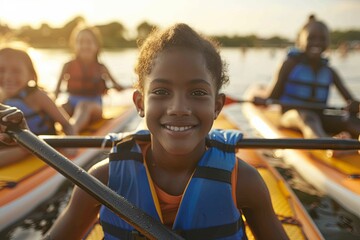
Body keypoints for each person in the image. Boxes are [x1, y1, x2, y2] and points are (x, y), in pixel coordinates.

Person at [1, 24, 289, 239]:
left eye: (197, 92)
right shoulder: (101, 180)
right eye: (161, 91)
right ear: (140, 103)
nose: (178, 107)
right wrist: (26, 138)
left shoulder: (245, 182)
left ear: (217, 106)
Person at [255, 15, 360, 156]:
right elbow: (272, 96)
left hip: (320, 116)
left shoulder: (330, 71)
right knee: (307, 117)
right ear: (300, 41)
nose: (317, 43)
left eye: (322, 39)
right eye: (311, 38)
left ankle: (351, 143)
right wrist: (263, 100)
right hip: (291, 116)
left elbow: (352, 101)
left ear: (328, 42)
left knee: (350, 120)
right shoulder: (289, 65)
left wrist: (353, 106)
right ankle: (329, 146)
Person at [0, 47, 75, 167]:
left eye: (16, 71)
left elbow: (67, 124)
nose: (8, 77)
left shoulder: (38, 96)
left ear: (30, 75)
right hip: (8, 146)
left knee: (23, 148)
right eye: (1, 70)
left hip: (34, 146)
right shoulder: (1, 97)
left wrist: (70, 146)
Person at [55, 26, 125, 134]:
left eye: (89, 42)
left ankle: (72, 132)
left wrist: (120, 87)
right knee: (62, 107)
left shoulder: (102, 68)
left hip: (94, 106)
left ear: (96, 46)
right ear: (75, 45)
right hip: (71, 103)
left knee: (83, 105)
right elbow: (56, 92)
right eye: (80, 42)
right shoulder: (67, 66)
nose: (85, 45)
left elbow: (117, 86)